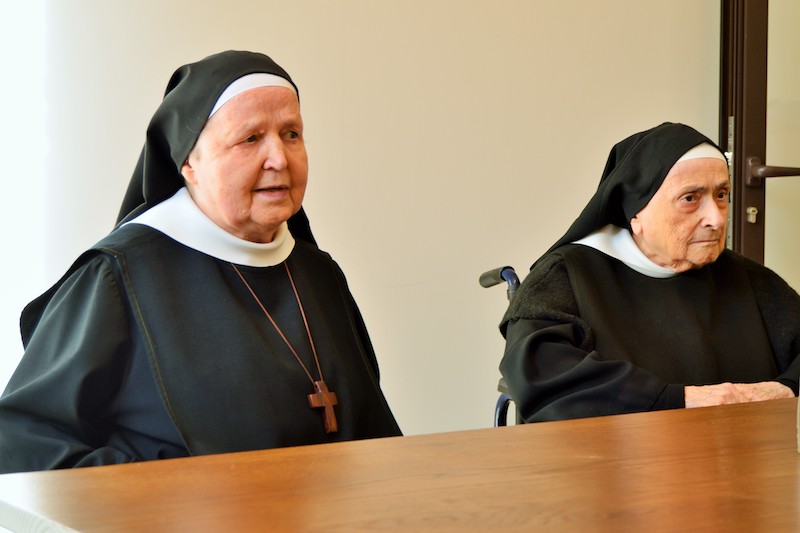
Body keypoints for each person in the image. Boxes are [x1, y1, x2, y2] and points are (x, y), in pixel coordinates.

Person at [0, 50, 401, 473]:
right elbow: (22, 440)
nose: (280, 159)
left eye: (291, 134)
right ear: (190, 162)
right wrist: (165, 491)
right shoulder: (120, 276)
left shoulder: (320, 275)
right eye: (251, 138)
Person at [500, 122, 800, 423]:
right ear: (635, 212)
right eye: (690, 198)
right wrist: (676, 400)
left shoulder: (748, 278)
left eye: (721, 195)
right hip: (619, 452)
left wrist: (787, 388)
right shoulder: (567, 277)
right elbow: (542, 378)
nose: (717, 219)